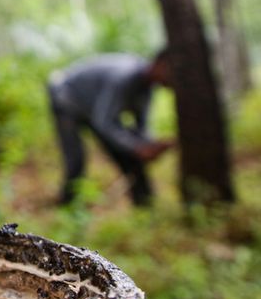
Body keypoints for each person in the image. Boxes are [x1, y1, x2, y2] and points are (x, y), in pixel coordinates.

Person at [47, 50, 174, 206]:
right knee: (76, 159)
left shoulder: (147, 88)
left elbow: (141, 125)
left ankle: (145, 205)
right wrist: (136, 148)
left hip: (93, 110)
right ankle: (67, 205)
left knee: (127, 156)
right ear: (159, 65)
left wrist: (149, 145)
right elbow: (105, 122)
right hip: (66, 97)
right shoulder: (125, 77)